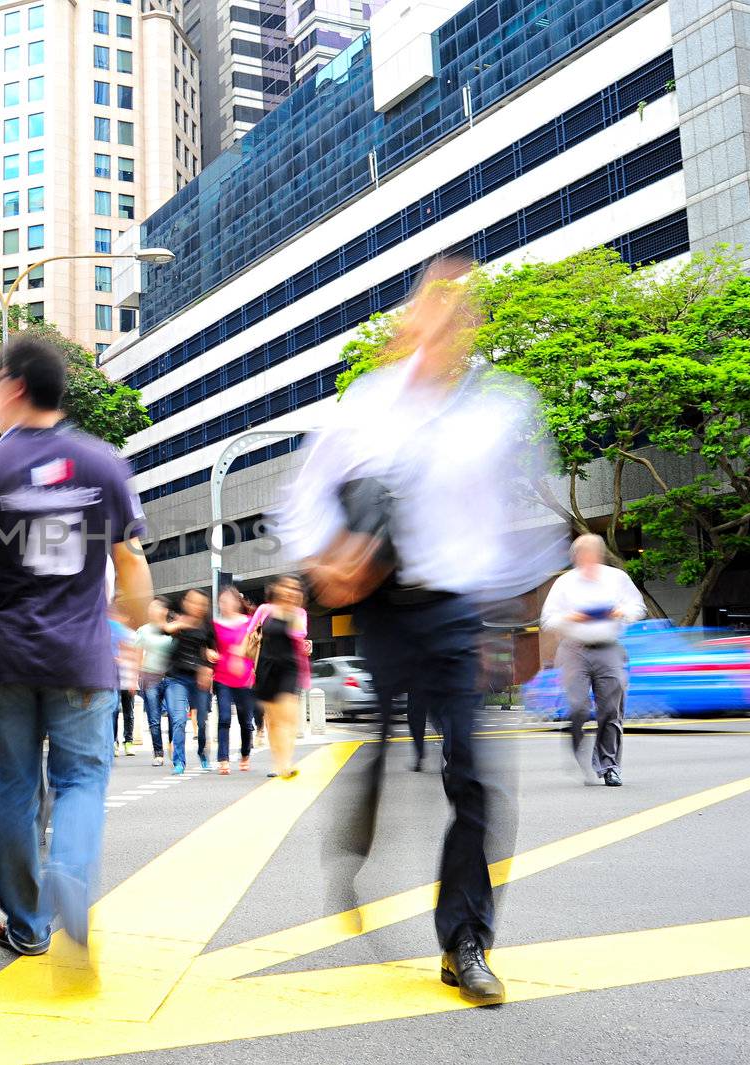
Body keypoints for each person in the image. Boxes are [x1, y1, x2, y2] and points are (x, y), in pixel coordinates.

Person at [277, 257, 565, 1007]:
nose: (443, 320)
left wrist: (525, 627)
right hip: (381, 605)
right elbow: (303, 499)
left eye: (459, 308)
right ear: (410, 318)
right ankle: (358, 825)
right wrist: (328, 565)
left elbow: (522, 532)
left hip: (457, 606)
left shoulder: (499, 409)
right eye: (431, 304)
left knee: (473, 775)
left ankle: (465, 940)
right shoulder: (368, 403)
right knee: (378, 749)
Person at [0, 335, 152, 958]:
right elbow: (133, 565)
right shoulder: (104, 463)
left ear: (11, 387)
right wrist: (130, 632)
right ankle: (70, 875)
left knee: (10, 790)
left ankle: (28, 924)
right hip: (84, 656)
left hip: (7, 656)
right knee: (83, 781)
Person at [541, 533, 646, 786]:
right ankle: (577, 743)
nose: (588, 558)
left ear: (599, 554)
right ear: (575, 557)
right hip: (573, 649)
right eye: (582, 554)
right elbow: (547, 620)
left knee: (611, 710)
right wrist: (572, 618)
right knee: (577, 707)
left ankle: (609, 766)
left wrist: (621, 612)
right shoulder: (565, 583)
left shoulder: (616, 578)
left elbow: (637, 607)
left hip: (608, 648)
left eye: (593, 553)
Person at [246, 577, 309, 778]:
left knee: (289, 715)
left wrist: (306, 645)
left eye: (295, 588)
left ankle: (286, 763)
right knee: (273, 720)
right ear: (277, 590)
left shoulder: (299, 613)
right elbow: (249, 635)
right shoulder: (264, 610)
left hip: (290, 667)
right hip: (266, 666)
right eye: (287, 587)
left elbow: (299, 634)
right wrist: (239, 659)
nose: (290, 591)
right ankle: (278, 762)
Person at [162, 589, 217, 774]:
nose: (197, 606)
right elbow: (166, 629)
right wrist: (178, 625)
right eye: (193, 601)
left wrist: (209, 664)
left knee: (201, 721)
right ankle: (179, 761)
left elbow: (213, 652)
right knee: (178, 720)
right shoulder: (178, 620)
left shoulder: (208, 627)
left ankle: (202, 753)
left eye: (201, 603)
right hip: (176, 678)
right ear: (186, 602)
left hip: (198, 680)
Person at [211, 587, 258, 774]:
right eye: (221, 602)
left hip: (245, 678)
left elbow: (257, 647)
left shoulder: (249, 623)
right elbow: (208, 646)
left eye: (228, 601)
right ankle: (223, 759)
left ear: (237, 602)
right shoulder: (215, 625)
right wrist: (209, 652)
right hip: (222, 677)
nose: (225, 605)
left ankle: (245, 754)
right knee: (223, 718)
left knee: (245, 722)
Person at [134, 599, 174, 767]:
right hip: (150, 677)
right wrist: (136, 676)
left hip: (172, 677)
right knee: (154, 718)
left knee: (175, 715)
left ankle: (173, 745)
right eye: (150, 608)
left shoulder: (173, 629)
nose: (152, 611)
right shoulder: (143, 630)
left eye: (156, 608)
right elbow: (137, 654)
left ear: (165, 611)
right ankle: (158, 753)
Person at [110, 611, 141, 757]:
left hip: (127, 679)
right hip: (112, 679)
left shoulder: (131, 635)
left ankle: (128, 742)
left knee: (129, 712)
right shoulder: (108, 632)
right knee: (113, 711)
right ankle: (114, 742)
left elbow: (136, 658)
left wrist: (134, 680)